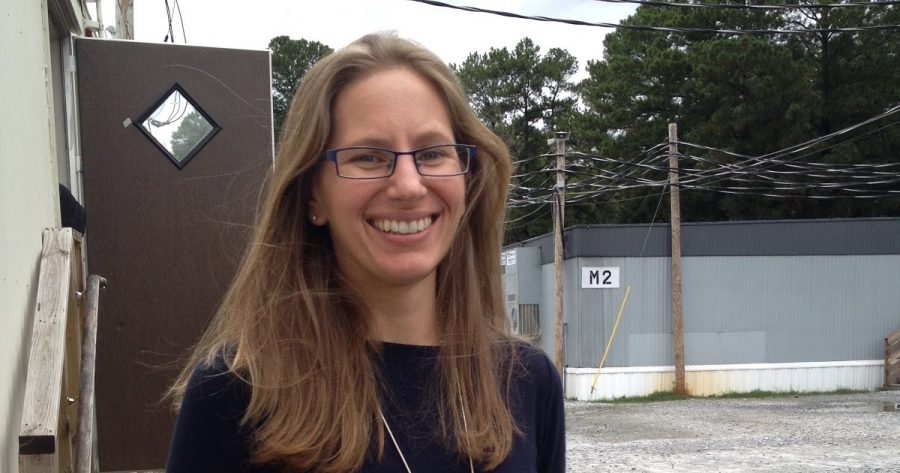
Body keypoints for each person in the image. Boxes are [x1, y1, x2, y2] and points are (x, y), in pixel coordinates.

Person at [166, 33, 565, 473]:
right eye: (369, 158)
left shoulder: (526, 382)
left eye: (432, 153)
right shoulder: (235, 392)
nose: (410, 186)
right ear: (312, 196)